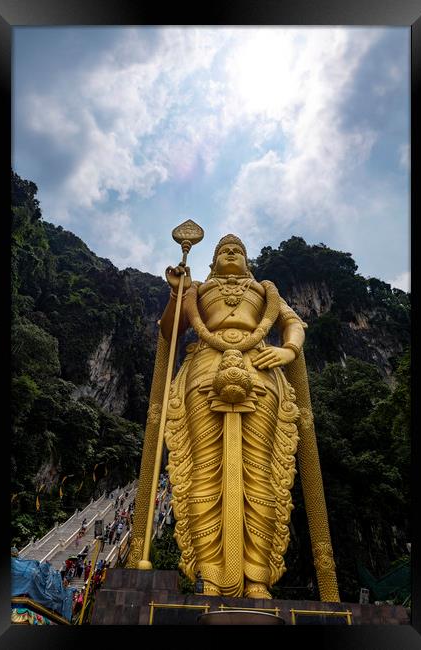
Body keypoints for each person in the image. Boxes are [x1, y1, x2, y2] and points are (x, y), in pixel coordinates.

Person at [159, 233, 307, 599]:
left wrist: (288, 350)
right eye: (224, 249)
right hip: (204, 369)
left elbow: (293, 323)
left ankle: (257, 578)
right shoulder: (198, 290)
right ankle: (210, 576)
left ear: (247, 262)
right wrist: (177, 294)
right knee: (204, 469)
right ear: (211, 262)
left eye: (237, 250)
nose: (230, 252)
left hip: (259, 367)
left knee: (259, 471)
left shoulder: (264, 291)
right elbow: (169, 331)